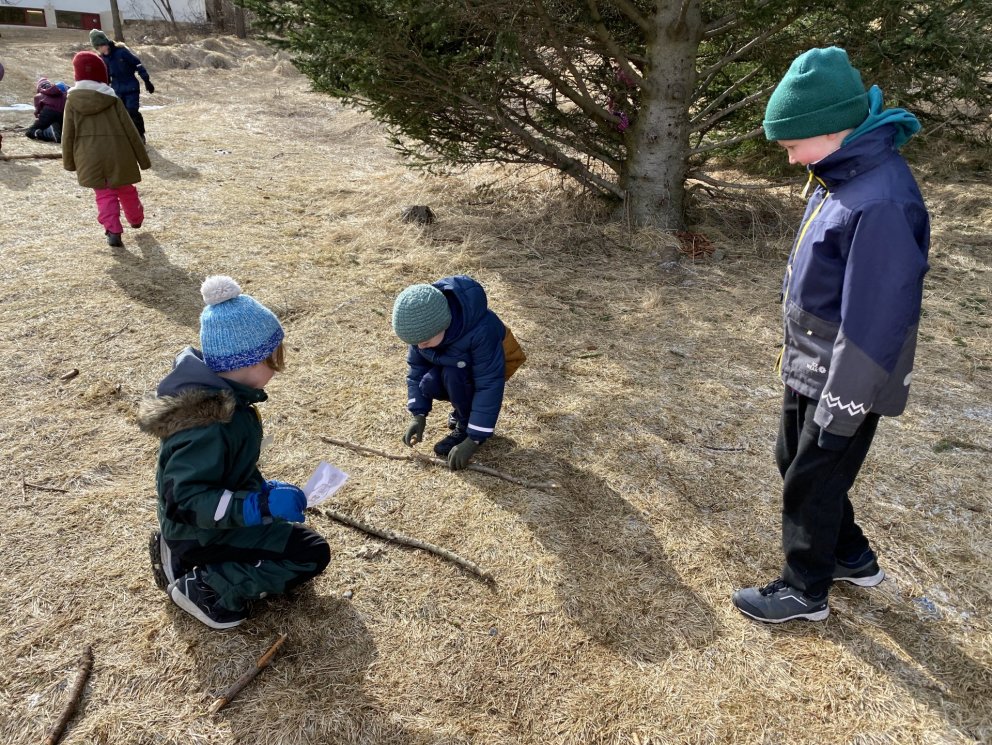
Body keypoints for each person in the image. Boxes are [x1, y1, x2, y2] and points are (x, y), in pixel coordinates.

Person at [731, 47, 930, 623]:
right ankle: (850, 556)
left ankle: (804, 589)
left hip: (847, 376)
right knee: (793, 459)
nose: (791, 161)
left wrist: (843, 405)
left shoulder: (883, 201)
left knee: (813, 479)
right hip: (812, 359)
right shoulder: (840, 173)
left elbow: (876, 321)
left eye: (793, 146)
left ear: (831, 131)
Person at [137, 275, 331, 630]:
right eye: (273, 357)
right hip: (200, 529)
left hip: (202, 526)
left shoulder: (226, 401)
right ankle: (208, 588)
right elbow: (187, 500)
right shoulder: (209, 423)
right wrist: (257, 505)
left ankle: (179, 555)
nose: (277, 365)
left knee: (287, 533)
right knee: (310, 553)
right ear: (251, 361)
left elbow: (222, 472)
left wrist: (263, 490)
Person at [392, 275, 525, 471]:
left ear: (443, 324)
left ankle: (465, 424)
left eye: (425, 342)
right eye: (415, 343)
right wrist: (418, 414)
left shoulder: (481, 331)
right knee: (431, 381)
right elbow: (416, 371)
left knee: (454, 376)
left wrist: (474, 439)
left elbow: (489, 384)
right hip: (458, 365)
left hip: (492, 366)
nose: (420, 346)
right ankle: (462, 409)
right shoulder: (423, 332)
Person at [61, 51, 151, 248]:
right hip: (119, 154)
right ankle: (136, 218)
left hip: (89, 157)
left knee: (104, 194)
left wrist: (69, 162)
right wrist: (143, 160)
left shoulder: (72, 102)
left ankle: (113, 231)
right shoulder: (113, 99)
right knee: (126, 189)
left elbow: (67, 134)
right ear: (103, 75)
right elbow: (131, 131)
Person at [89, 28, 154, 141]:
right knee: (121, 114)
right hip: (117, 89)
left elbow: (137, 64)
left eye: (99, 47)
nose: (99, 50)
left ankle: (140, 135)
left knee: (132, 111)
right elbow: (105, 76)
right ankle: (127, 137)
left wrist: (147, 80)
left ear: (104, 43)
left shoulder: (122, 52)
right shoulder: (103, 59)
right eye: (97, 48)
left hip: (131, 87)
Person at [26, 77, 66, 143]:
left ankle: (48, 133)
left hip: (48, 112)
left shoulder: (39, 96)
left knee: (30, 131)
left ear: (39, 88)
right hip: (63, 113)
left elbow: (38, 113)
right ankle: (55, 131)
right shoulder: (61, 93)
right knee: (60, 129)